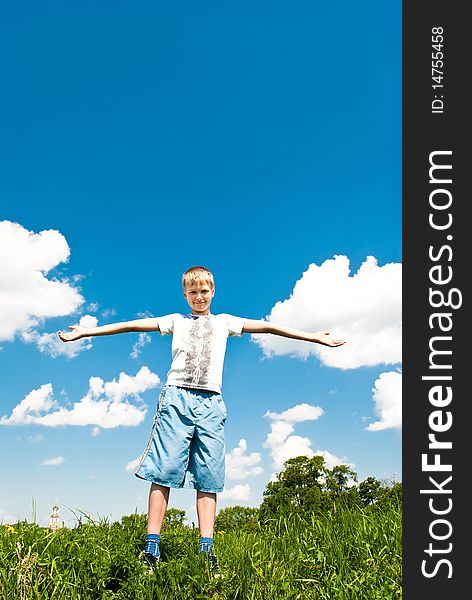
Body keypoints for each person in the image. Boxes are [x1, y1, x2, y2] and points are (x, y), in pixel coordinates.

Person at [58, 265, 345, 574]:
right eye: (192, 292)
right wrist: (87, 331)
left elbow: (268, 327)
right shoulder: (175, 321)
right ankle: (151, 547)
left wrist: (313, 337)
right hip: (176, 398)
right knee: (164, 470)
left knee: (209, 475)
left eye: (204, 291)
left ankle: (206, 551)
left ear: (213, 292)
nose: (198, 297)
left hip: (211, 402)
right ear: (185, 294)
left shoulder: (225, 323)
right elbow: (132, 325)